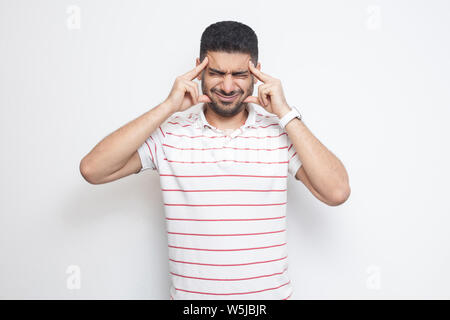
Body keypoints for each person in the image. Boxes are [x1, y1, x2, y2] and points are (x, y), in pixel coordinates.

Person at [80, 20, 350, 300]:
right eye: (217, 72)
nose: (228, 85)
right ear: (199, 69)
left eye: (240, 74)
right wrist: (167, 107)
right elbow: (93, 169)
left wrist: (285, 113)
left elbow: (336, 191)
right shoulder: (169, 133)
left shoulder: (280, 131)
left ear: (257, 73)